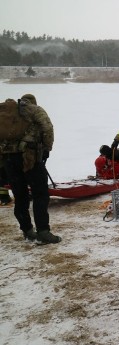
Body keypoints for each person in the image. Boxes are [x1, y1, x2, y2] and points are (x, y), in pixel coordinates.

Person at [2, 94, 61, 244]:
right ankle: (43, 232)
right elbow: (48, 128)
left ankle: (27, 231)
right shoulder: (35, 110)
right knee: (40, 194)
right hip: (30, 158)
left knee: (20, 196)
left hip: (9, 159)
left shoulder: (6, 115)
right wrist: (47, 149)